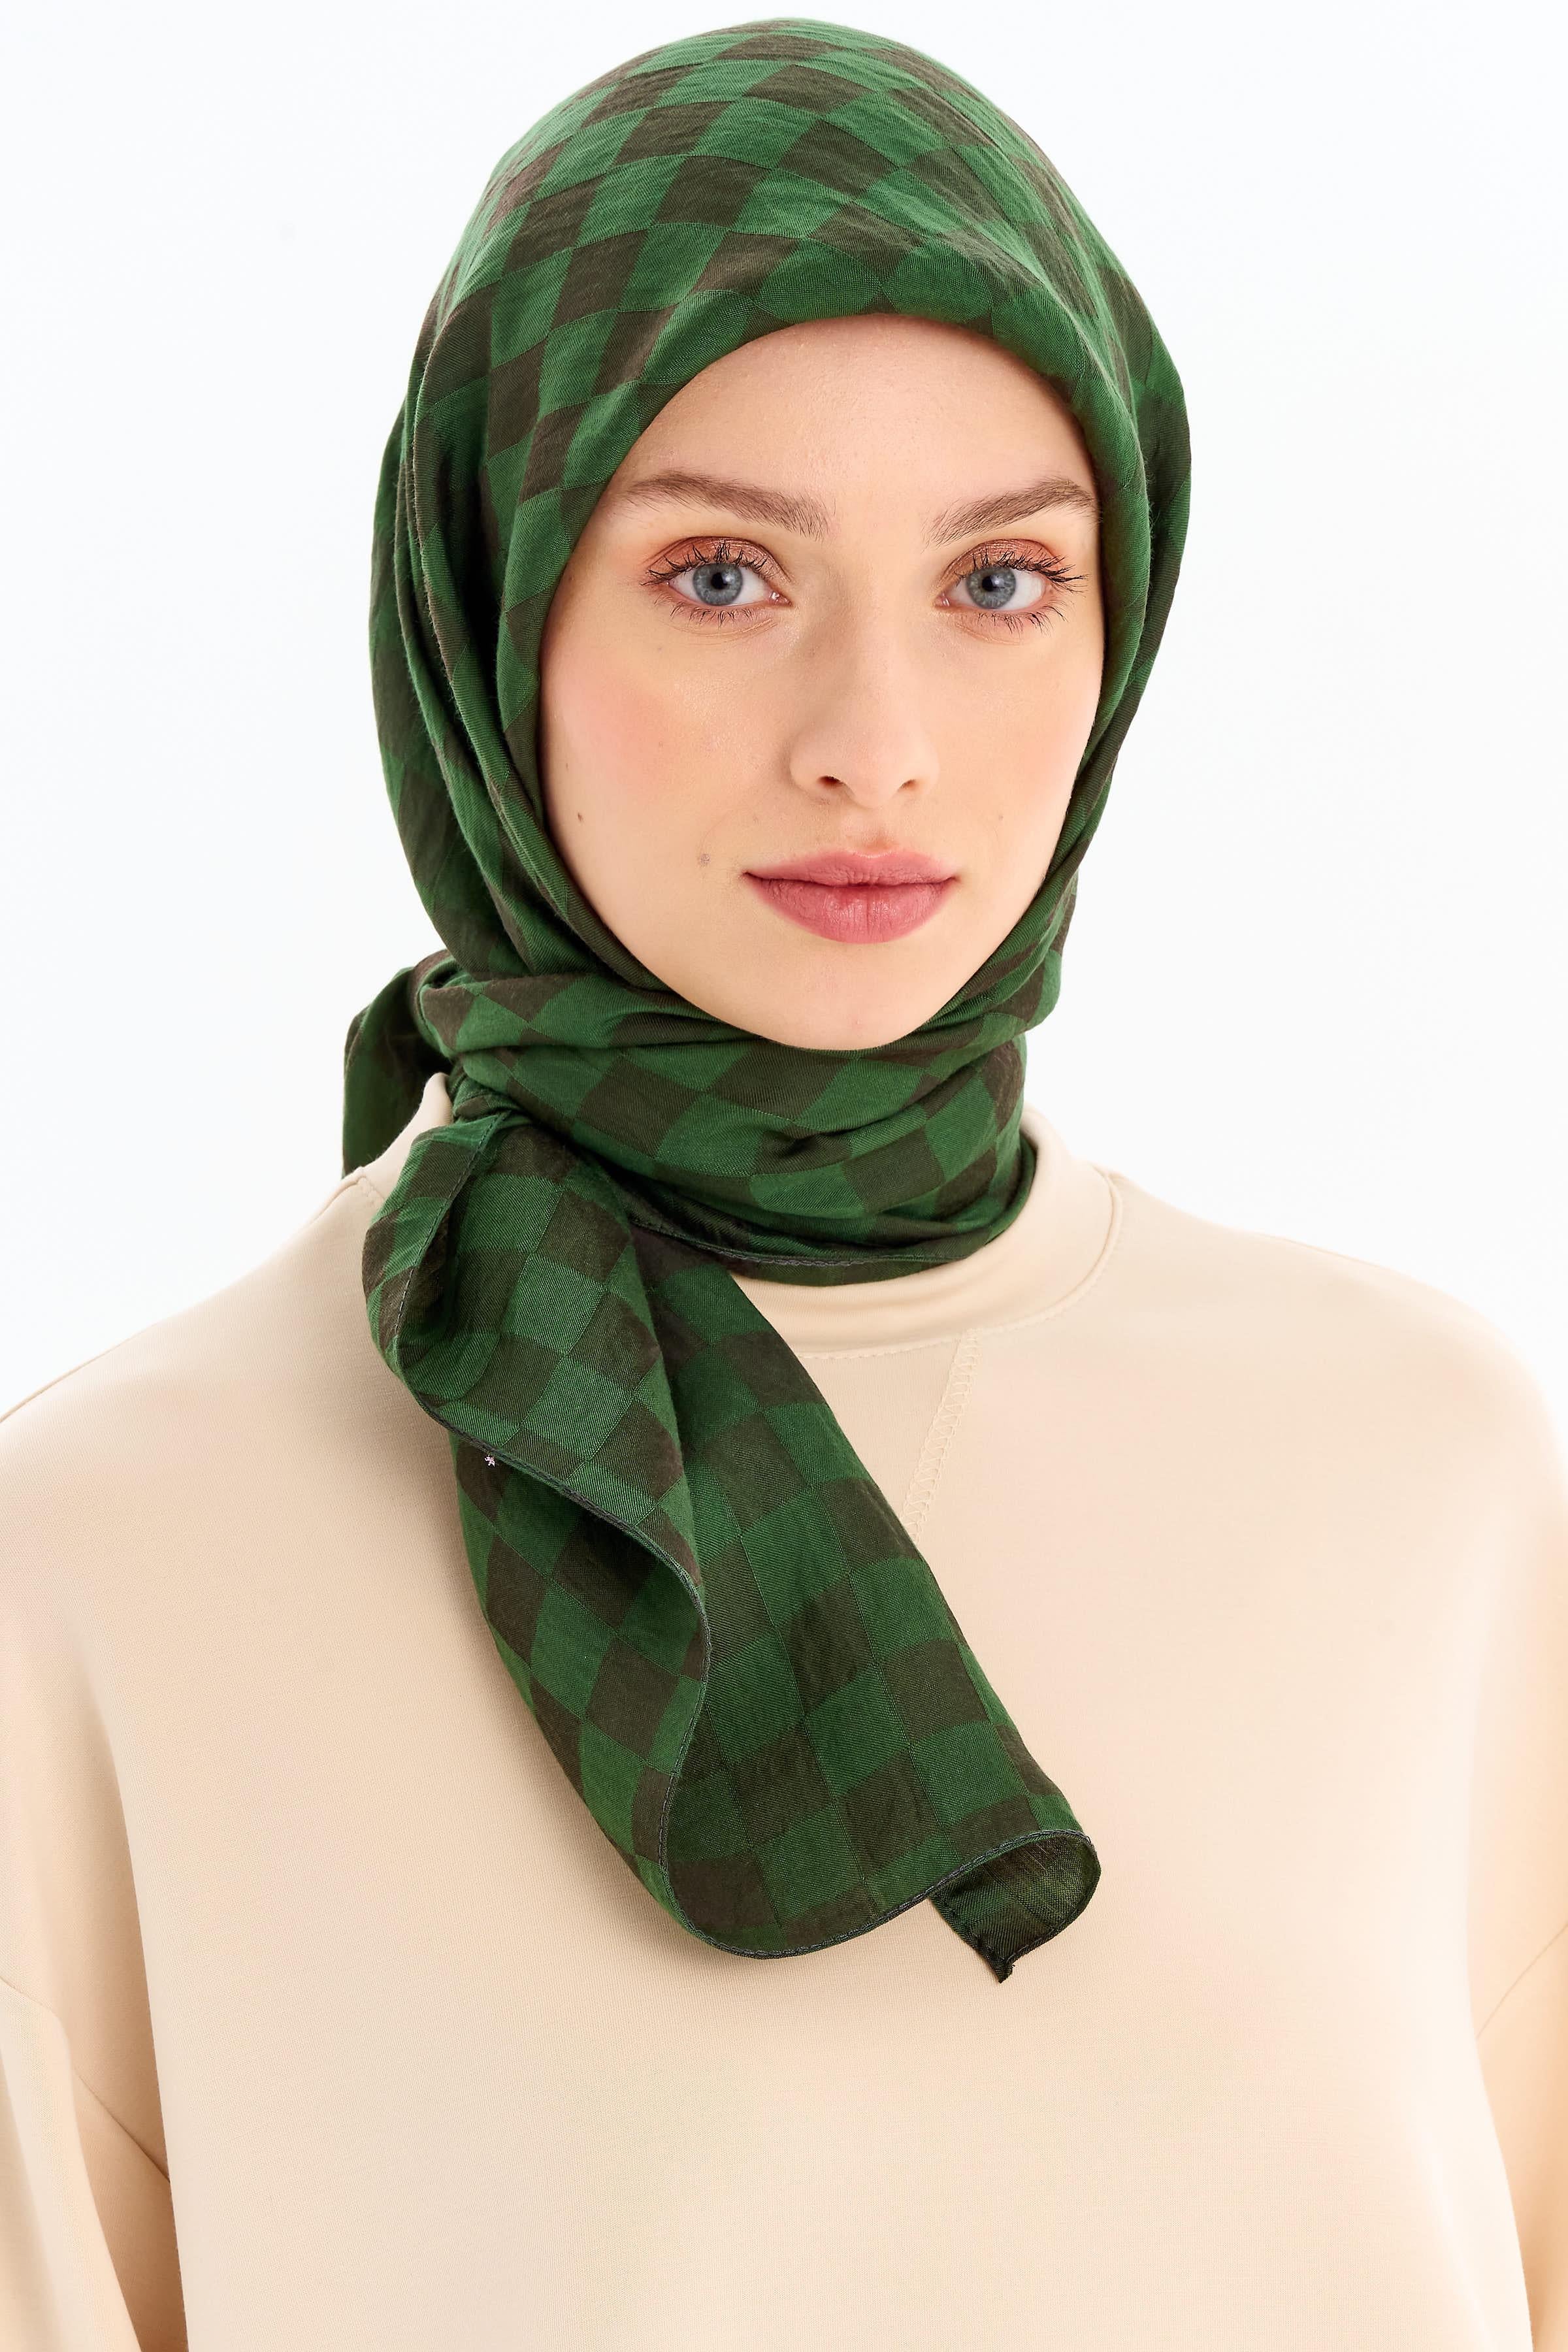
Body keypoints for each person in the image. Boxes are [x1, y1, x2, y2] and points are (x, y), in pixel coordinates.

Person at [1, 18, 1564, 2350]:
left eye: (1001, 581)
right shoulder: (119, 1551)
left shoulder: (1427, 1477)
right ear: (491, 597)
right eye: (723, 575)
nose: (876, 743)